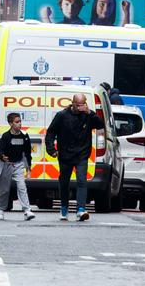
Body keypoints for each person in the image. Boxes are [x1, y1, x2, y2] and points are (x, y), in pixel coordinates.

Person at [45, 93, 104, 221]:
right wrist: (52, 150)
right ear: (72, 103)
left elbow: (100, 125)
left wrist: (90, 112)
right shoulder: (62, 116)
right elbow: (51, 132)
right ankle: (64, 207)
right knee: (64, 182)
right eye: (77, 105)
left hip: (82, 154)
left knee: (82, 181)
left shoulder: (88, 115)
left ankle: (81, 209)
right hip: (65, 154)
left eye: (82, 105)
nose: (80, 108)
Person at [0, 112, 35, 221]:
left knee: (22, 187)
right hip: (7, 165)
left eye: (20, 121)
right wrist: (2, 156)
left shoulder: (24, 136)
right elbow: (0, 150)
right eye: (17, 122)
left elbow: (27, 153)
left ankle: (27, 210)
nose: (20, 124)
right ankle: (1, 209)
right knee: (4, 189)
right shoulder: (6, 136)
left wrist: (28, 169)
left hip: (18, 164)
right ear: (10, 124)